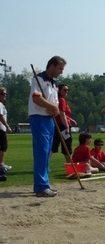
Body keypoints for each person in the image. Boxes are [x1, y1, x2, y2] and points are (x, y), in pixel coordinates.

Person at [28, 56, 65, 197]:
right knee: (42, 152)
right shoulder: (39, 79)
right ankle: (41, 186)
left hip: (49, 119)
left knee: (47, 152)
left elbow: (54, 103)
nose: (61, 71)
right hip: (38, 118)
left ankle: (44, 183)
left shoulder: (54, 84)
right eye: (60, 68)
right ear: (52, 66)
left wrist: (53, 108)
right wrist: (51, 107)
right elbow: (36, 98)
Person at [51, 83, 77, 162]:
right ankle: (70, 164)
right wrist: (66, 127)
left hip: (58, 125)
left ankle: (43, 164)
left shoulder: (58, 99)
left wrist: (70, 119)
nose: (66, 91)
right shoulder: (61, 100)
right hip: (62, 126)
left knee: (54, 146)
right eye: (64, 90)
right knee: (67, 145)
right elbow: (62, 114)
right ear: (59, 90)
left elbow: (63, 114)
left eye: (67, 90)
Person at [0, 87, 12, 170]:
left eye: (5, 94)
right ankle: (1, 164)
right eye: (2, 94)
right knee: (3, 146)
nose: (5, 96)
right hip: (1, 128)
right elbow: (0, 116)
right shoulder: (0, 104)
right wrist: (7, 126)